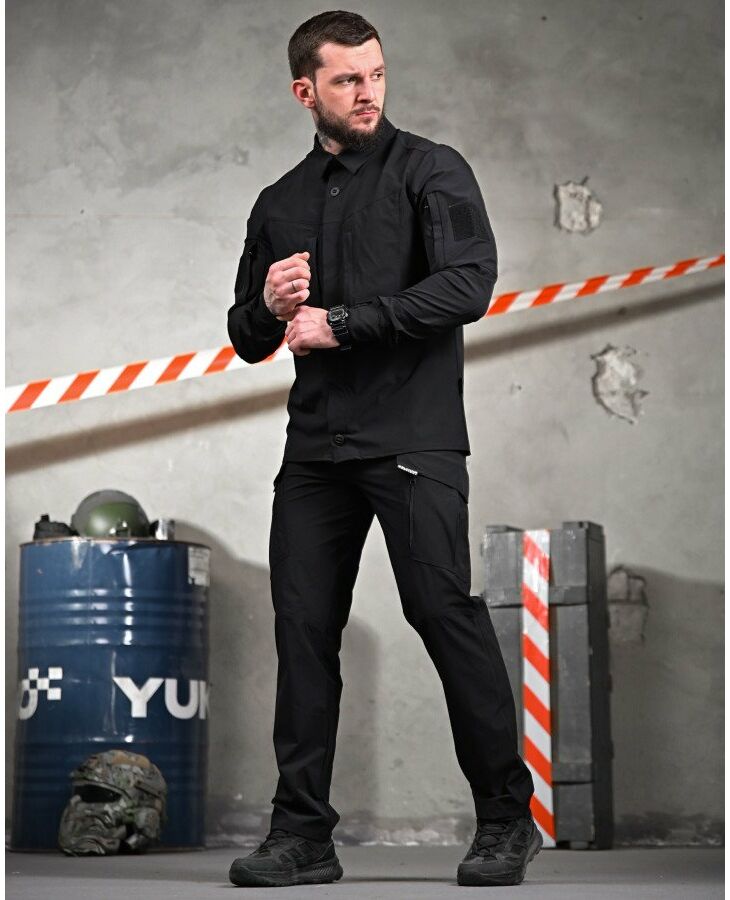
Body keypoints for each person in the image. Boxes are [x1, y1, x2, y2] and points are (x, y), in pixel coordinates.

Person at [227, 10, 541, 889]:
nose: (367, 93)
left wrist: (346, 321)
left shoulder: (431, 171)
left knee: (443, 615)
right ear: (306, 91)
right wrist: (268, 304)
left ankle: (506, 820)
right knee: (303, 632)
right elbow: (247, 336)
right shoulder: (279, 202)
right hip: (315, 451)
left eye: (376, 75)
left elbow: (468, 284)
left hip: (413, 438)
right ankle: (303, 837)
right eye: (347, 80)